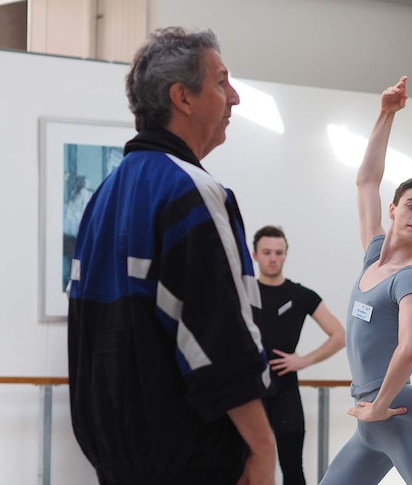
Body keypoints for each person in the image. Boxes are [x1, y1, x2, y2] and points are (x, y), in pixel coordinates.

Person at [67, 27, 276, 485]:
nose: (234, 98)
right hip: (190, 458)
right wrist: (262, 449)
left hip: (117, 461)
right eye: (222, 82)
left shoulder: (103, 197)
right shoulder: (194, 192)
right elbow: (219, 331)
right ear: (183, 97)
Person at [319, 76, 412, 485]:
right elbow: (367, 181)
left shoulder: (409, 279)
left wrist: (380, 405)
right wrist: (385, 114)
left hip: (398, 413)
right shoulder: (373, 254)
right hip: (370, 421)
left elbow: (411, 347)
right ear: (393, 210)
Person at [252, 225, 345, 484]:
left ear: (286, 254)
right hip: (249, 392)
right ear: (254, 254)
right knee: (246, 466)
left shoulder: (300, 295)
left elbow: (339, 335)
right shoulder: (241, 293)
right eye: (267, 252)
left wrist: (303, 360)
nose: (273, 258)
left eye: (279, 252)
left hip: (285, 393)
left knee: (293, 468)